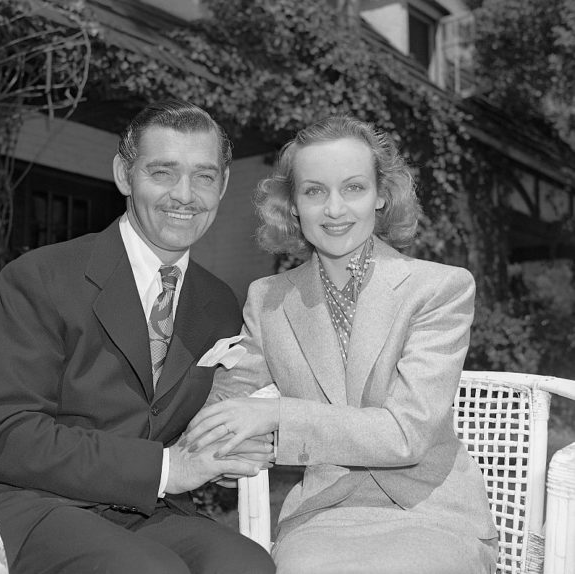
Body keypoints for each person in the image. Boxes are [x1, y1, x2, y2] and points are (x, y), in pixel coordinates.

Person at [0, 100, 276, 574]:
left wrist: (224, 450)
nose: (185, 195)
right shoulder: (40, 277)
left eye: (204, 176)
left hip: (144, 510)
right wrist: (167, 469)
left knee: (247, 565)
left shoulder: (220, 302)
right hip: (33, 506)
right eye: (163, 172)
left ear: (222, 186)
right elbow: (6, 437)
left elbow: (182, 422)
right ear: (124, 174)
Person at [183, 116, 499, 574]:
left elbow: (405, 436)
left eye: (353, 188)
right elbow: (228, 401)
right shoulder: (268, 299)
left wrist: (274, 416)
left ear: (381, 195)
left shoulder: (439, 289)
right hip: (323, 516)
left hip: (433, 513)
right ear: (292, 205)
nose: (334, 209)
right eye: (314, 191)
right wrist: (222, 446)